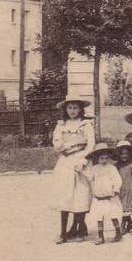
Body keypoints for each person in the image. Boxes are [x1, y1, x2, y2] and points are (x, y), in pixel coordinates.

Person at [52, 96, 95, 244]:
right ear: (65, 109)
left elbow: (90, 145)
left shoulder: (85, 124)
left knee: (80, 194)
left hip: (81, 160)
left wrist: (83, 160)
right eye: (69, 108)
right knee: (65, 195)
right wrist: (64, 146)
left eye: (75, 108)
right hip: (65, 161)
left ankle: (78, 227)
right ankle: (63, 232)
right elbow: (57, 142)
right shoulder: (61, 125)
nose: (72, 111)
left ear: (80, 109)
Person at [83, 143, 124, 245]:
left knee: (113, 215)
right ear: (97, 158)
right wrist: (82, 171)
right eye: (101, 158)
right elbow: (89, 178)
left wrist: (116, 189)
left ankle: (118, 232)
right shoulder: (94, 169)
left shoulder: (111, 168)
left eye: (106, 158)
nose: (104, 161)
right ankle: (101, 236)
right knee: (99, 217)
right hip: (98, 198)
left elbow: (117, 179)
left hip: (109, 197)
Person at [113, 140, 132, 234]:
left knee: (126, 206)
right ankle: (130, 222)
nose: (124, 156)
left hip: (129, 187)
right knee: (122, 207)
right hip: (120, 188)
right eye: (122, 154)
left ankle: (123, 224)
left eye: (126, 154)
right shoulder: (116, 166)